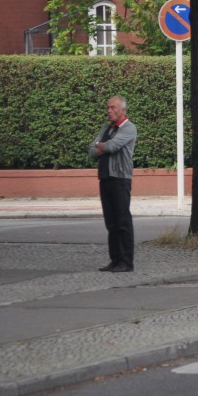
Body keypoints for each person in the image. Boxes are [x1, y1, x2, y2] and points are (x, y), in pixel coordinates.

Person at [88, 95, 138, 272]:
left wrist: (100, 145)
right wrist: (100, 145)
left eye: (113, 108)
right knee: (111, 222)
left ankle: (126, 261)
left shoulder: (129, 128)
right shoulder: (106, 128)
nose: (109, 110)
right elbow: (91, 150)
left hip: (120, 179)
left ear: (123, 110)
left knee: (122, 221)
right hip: (105, 178)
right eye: (108, 107)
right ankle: (115, 259)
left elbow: (112, 147)